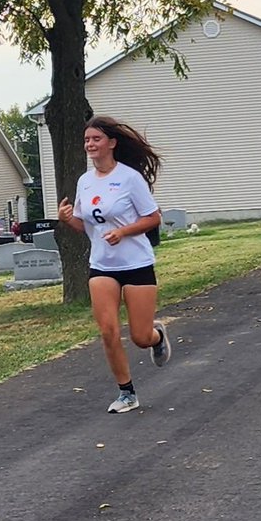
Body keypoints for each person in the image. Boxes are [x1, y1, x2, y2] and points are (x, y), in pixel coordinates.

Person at [57, 115, 171, 414]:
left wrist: (123, 231)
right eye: (86, 140)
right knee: (108, 330)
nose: (90, 145)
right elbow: (86, 226)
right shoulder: (85, 181)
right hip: (102, 266)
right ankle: (127, 393)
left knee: (139, 337)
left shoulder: (129, 178)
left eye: (95, 139)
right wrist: (69, 220)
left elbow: (153, 218)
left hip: (136, 264)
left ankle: (156, 337)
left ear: (111, 143)